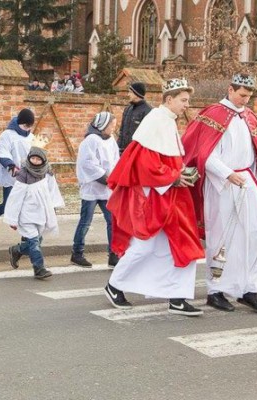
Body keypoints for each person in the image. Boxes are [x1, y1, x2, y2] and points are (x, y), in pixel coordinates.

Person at [182, 73, 257, 314]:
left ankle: (249, 288)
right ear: (230, 89)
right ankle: (216, 290)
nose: (245, 100)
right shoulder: (212, 114)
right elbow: (204, 154)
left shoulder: (248, 117)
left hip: (247, 181)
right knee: (222, 239)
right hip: (221, 184)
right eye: (242, 95)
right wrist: (226, 174)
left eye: (249, 96)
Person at [103, 78, 204, 317]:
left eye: (187, 101)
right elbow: (147, 165)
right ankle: (114, 285)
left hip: (170, 195)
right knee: (146, 246)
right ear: (169, 99)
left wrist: (180, 175)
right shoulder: (157, 120)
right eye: (183, 100)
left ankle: (177, 297)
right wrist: (174, 177)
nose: (186, 105)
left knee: (178, 245)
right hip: (158, 197)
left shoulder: (166, 121)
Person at [5, 136, 65, 279]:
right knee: (34, 242)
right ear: (29, 158)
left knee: (36, 242)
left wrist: (53, 208)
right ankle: (39, 268)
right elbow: (16, 198)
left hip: (41, 214)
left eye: (39, 159)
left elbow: (52, 191)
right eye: (33, 158)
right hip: (27, 214)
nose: (35, 161)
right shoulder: (23, 175)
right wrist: (12, 219)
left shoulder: (47, 173)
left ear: (43, 160)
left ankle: (17, 250)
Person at [71, 111, 120, 267]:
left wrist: (115, 177)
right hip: (92, 187)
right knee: (86, 221)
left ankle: (113, 254)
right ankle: (77, 253)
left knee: (112, 221)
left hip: (107, 189)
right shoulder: (91, 140)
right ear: (103, 125)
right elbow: (88, 163)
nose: (114, 128)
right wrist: (106, 179)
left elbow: (115, 161)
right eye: (112, 125)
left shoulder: (111, 140)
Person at [0, 108, 35, 232]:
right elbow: (2, 152)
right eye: (25, 126)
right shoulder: (7, 135)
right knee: (8, 204)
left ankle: (26, 236)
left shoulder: (31, 137)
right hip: (12, 175)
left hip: (27, 176)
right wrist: (11, 166)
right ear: (19, 123)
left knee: (26, 204)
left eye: (30, 126)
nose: (28, 129)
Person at [117, 82, 153, 154]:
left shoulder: (148, 111)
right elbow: (122, 131)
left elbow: (148, 136)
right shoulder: (127, 109)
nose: (128, 94)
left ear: (136, 94)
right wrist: (118, 148)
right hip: (123, 152)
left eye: (130, 92)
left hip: (137, 154)